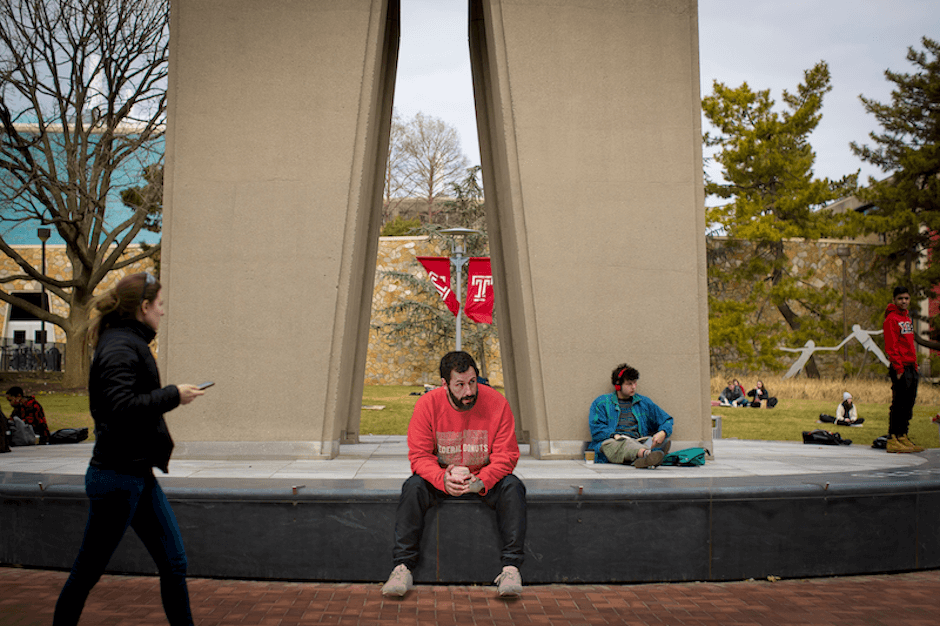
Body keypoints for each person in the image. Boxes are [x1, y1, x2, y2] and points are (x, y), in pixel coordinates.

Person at [53, 273, 206, 626]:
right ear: (144, 307)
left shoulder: (127, 342)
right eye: (161, 305)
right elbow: (120, 408)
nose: (163, 313)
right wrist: (173, 395)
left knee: (174, 563)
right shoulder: (120, 346)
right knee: (87, 572)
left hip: (136, 473)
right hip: (116, 478)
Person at [382, 351, 526, 598]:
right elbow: (419, 456)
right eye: (459, 385)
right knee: (413, 486)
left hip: (482, 479)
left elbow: (507, 455)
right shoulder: (427, 405)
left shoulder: (497, 403)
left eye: (472, 382)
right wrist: (442, 479)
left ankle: (511, 568)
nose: (468, 391)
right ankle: (402, 568)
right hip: (442, 480)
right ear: (444, 384)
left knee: (512, 486)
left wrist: (481, 480)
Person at [588, 364, 674, 468]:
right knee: (624, 444)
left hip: (639, 441)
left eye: (635, 383)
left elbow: (667, 420)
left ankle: (642, 457)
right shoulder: (601, 403)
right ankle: (647, 454)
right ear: (618, 385)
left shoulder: (644, 403)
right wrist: (614, 435)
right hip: (614, 443)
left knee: (662, 441)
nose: (633, 387)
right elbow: (596, 429)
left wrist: (663, 432)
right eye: (629, 384)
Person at [882, 286, 923, 453]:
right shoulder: (891, 319)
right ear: (894, 300)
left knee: (909, 403)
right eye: (900, 298)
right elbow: (891, 346)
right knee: (899, 403)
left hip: (911, 365)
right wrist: (898, 367)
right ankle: (893, 437)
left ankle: (903, 435)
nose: (904, 301)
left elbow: (909, 344)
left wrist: (915, 365)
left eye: (906, 298)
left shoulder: (907, 319)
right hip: (900, 367)